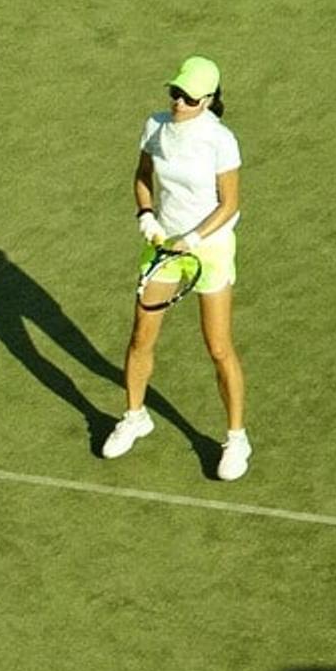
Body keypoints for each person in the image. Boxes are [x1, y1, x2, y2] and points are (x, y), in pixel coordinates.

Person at [100, 56, 250, 480]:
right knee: (140, 338)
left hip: (209, 249)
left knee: (218, 347)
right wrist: (145, 214)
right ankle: (135, 417)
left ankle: (236, 438)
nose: (178, 101)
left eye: (187, 96)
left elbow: (230, 204)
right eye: (175, 92)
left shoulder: (221, 141)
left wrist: (195, 239)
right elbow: (143, 175)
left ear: (207, 100)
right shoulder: (155, 125)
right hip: (164, 246)